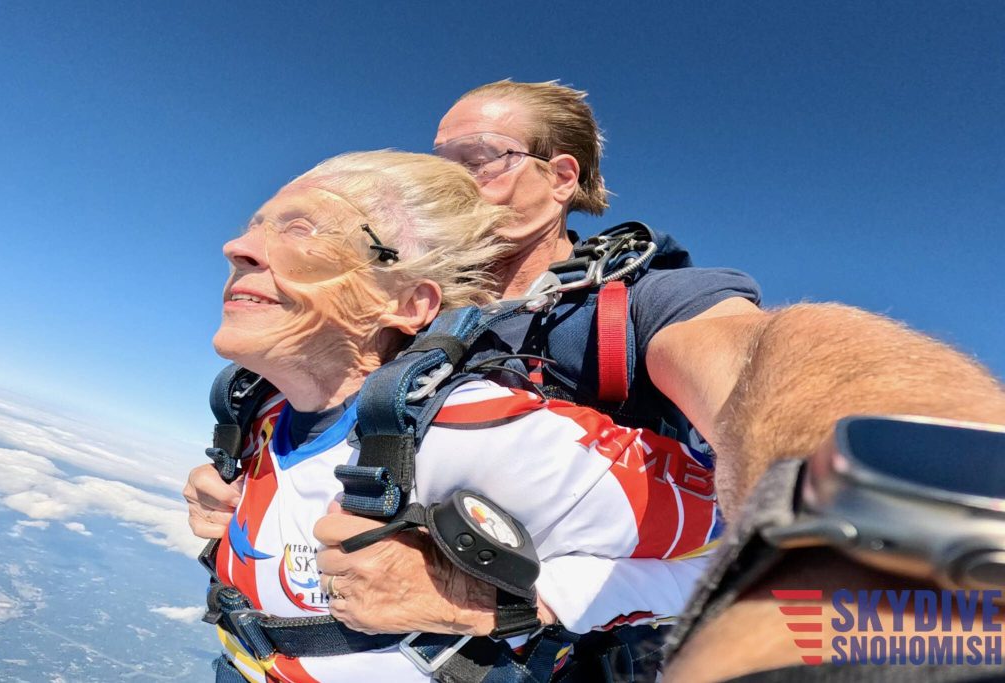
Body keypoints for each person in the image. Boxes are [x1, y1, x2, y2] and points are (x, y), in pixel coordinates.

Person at [187, 79, 1005, 673]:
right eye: (441, 160)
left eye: (484, 156)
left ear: (562, 178)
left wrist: (921, 536)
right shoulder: (390, 304)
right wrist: (248, 487)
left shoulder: (634, 306)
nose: (456, 178)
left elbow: (762, 358)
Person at [203, 150, 721, 682]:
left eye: (301, 229)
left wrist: (493, 600)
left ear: (407, 304)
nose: (237, 248)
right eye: (256, 227)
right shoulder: (255, 407)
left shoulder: (479, 429)